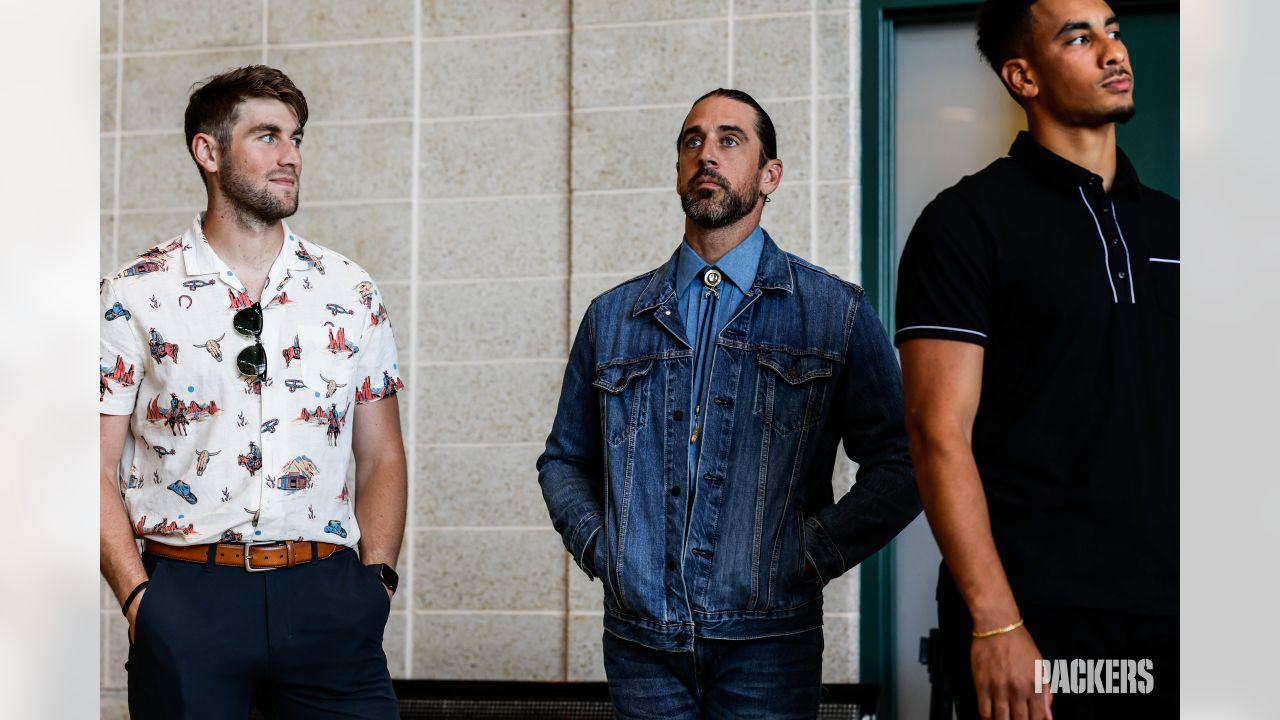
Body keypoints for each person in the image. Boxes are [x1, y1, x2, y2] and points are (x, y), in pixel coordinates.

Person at [538, 88, 921, 719]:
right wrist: (606, 552)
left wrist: (809, 554)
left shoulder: (833, 313)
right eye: (693, 141)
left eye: (729, 139)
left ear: (770, 175)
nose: (706, 154)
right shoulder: (613, 317)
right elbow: (563, 460)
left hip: (769, 644)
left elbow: (903, 464)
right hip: (642, 645)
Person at [895, 1, 1178, 717]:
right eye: (1078, 37)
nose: (1113, 51)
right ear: (1023, 75)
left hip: (1184, 617)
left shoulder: (1180, 226)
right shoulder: (965, 224)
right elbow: (937, 434)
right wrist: (996, 622)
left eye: (1112, 29)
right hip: (1045, 622)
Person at [99, 65, 408, 720]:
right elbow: (89, 465)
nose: (291, 155)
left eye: (296, 138)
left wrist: (376, 581)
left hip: (328, 597)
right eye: (267, 136)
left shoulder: (348, 290)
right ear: (207, 152)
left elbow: (382, 455)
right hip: (188, 597)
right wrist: (138, 601)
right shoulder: (132, 294)